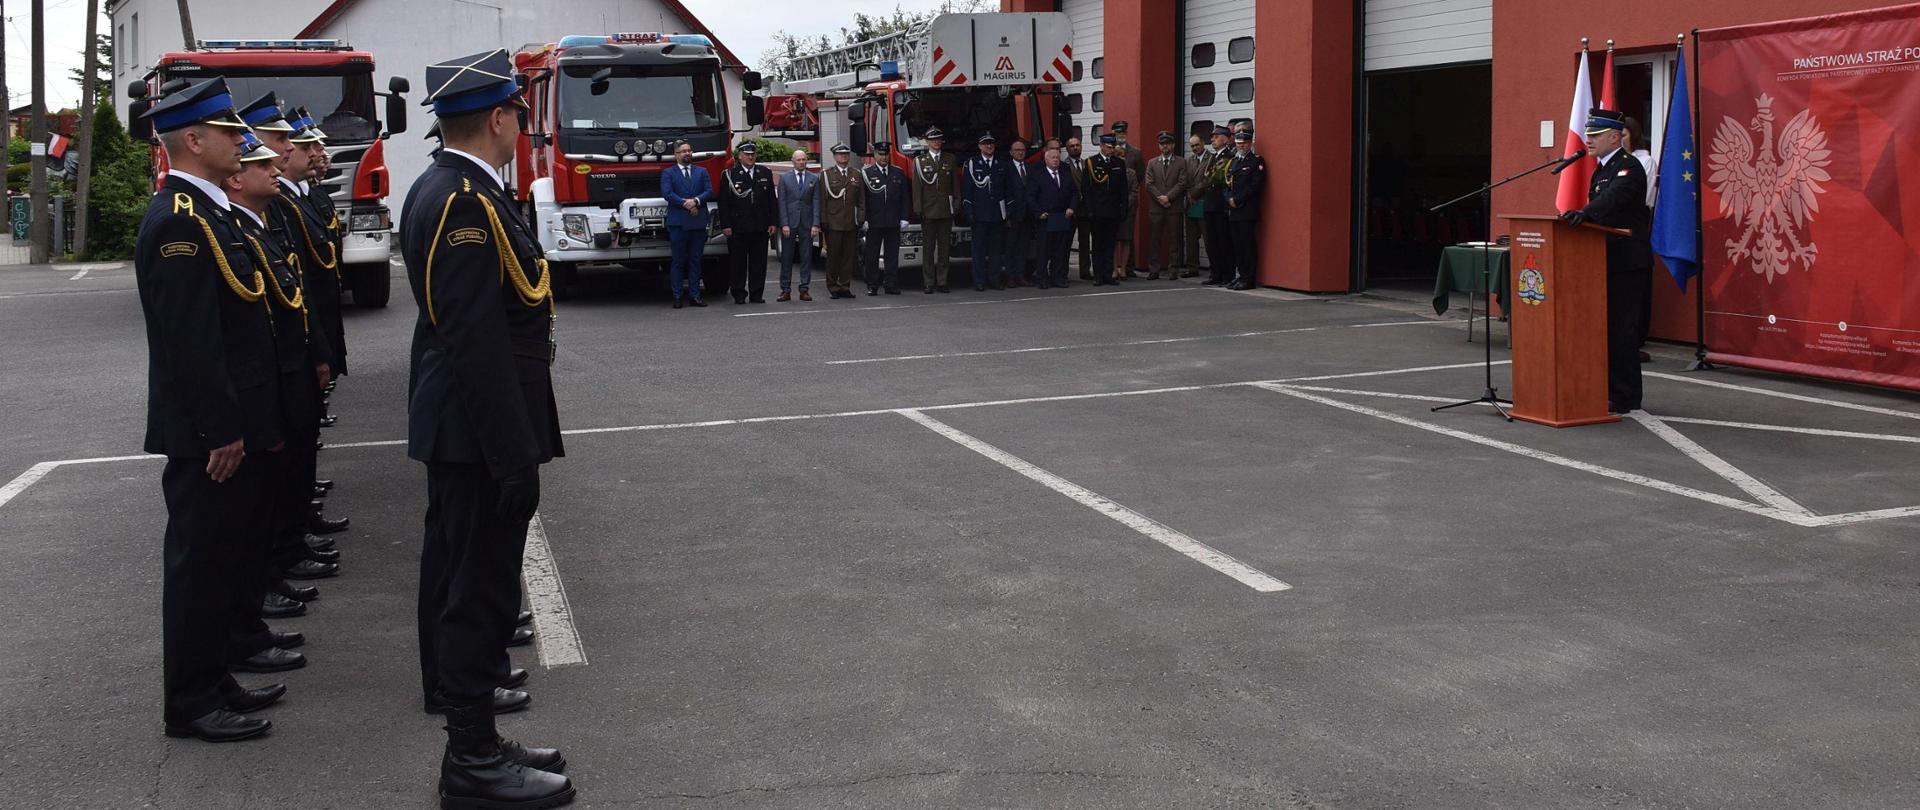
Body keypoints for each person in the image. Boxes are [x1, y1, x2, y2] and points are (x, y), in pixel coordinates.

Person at [401, 49, 574, 808]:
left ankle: (478, 741)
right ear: (500, 118)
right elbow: (473, 339)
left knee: (467, 579)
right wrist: (512, 455)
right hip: (478, 433)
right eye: (518, 114)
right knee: (479, 591)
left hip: (470, 428)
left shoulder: (458, 189)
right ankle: (471, 764)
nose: (521, 126)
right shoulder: (462, 202)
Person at [137, 77, 292, 745]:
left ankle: (215, 675)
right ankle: (191, 701)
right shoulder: (179, 220)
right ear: (193, 141)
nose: (242, 141)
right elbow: (190, 342)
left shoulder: (214, 215)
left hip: (235, 423)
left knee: (223, 559)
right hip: (210, 434)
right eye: (230, 132)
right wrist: (219, 429)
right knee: (199, 566)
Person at [239, 93, 339, 618]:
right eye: (271, 145)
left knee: (292, 464)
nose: (285, 155)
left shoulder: (277, 206)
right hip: (269, 378)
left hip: (295, 359)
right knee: (259, 499)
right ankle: (274, 567)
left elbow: (305, 281)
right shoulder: (210, 223)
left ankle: (285, 551)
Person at [1562, 108, 1653, 414]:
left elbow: (1613, 199)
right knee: (1606, 328)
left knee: (1621, 329)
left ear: (1615, 137)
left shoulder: (1629, 167)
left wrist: (1586, 213)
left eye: (1596, 135)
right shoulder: (1601, 168)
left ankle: (1627, 396)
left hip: (1628, 261)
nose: (1588, 140)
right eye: (1588, 134)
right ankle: (1609, 388)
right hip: (1605, 260)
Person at [717, 142, 777, 305]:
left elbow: (772, 199)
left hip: (759, 226)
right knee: (738, 263)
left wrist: (773, 221)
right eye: (747, 154)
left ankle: (757, 294)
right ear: (740, 156)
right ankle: (738, 293)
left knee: (759, 263)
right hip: (738, 227)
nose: (750, 157)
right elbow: (724, 203)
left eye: (753, 154)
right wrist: (726, 225)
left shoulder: (764, 172)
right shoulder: (730, 174)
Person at [663, 140, 712, 308]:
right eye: (683, 151)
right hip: (678, 223)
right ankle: (677, 296)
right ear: (676, 154)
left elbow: (708, 191)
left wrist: (696, 201)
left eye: (689, 150)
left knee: (695, 260)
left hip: (697, 222)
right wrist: (686, 204)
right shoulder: (668, 173)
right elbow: (668, 193)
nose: (687, 153)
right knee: (678, 261)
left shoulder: (702, 172)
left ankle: (695, 295)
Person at [911, 128, 958, 293]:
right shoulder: (920, 161)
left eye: (939, 139)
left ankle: (943, 281)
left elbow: (954, 185)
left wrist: (956, 204)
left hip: (945, 209)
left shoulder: (949, 159)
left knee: (944, 248)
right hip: (928, 210)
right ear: (928, 142)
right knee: (928, 249)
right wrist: (918, 209)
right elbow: (917, 188)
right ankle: (929, 282)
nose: (937, 142)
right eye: (933, 140)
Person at [962, 134, 1011, 291]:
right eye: (985, 144)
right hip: (979, 214)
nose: (989, 146)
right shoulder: (972, 164)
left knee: (996, 251)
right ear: (980, 146)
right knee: (979, 251)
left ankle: (995, 279)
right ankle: (979, 281)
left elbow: (1006, 190)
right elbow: (967, 191)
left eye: (991, 143)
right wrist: (969, 211)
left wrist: (1007, 210)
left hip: (997, 214)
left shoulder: (1001, 164)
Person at [860, 141, 908, 295]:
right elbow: (863, 199)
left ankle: (891, 283)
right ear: (874, 155)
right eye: (880, 154)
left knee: (892, 255)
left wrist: (904, 217)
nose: (884, 157)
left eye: (886, 154)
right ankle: (872, 284)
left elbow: (904, 198)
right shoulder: (867, 173)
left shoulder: (897, 172)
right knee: (871, 255)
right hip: (874, 221)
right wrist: (864, 218)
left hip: (893, 220)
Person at [1143, 131, 1193, 280]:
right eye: (1162, 144)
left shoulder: (1181, 162)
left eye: (1168, 144)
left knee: (1174, 240)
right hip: (1156, 208)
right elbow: (1149, 183)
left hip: (1174, 207)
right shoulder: (1152, 162)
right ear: (1159, 146)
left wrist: (1168, 197)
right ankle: (1154, 269)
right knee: (1154, 240)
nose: (1165, 146)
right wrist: (1160, 198)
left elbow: (1182, 182)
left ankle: (1173, 270)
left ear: (1173, 145)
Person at [1028, 146, 1079, 289]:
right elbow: (1031, 197)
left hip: (1062, 216)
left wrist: (1071, 208)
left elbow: (1074, 192)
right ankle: (1042, 278)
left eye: (1057, 157)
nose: (1056, 160)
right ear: (1046, 159)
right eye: (1053, 157)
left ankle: (1058, 277)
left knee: (1060, 250)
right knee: (1044, 250)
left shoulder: (1065, 173)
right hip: (1045, 217)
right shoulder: (1037, 175)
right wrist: (1038, 212)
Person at [819, 144, 865, 299]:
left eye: (846, 154)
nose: (843, 157)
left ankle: (845, 286)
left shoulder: (856, 174)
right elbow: (823, 201)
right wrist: (823, 221)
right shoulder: (827, 175)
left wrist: (861, 218)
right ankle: (833, 286)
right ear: (834, 157)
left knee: (848, 257)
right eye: (840, 154)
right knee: (833, 257)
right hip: (833, 222)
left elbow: (861, 200)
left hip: (850, 222)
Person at [1085, 134, 1130, 286]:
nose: (1111, 150)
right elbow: (1087, 189)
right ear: (1102, 146)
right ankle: (1098, 275)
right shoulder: (1091, 162)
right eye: (1109, 147)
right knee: (1098, 244)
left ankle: (1108, 273)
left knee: (1110, 244)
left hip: (1112, 211)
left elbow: (1123, 187)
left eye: (1113, 147)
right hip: (1097, 211)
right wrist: (1089, 209)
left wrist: (1124, 206)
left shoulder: (1119, 163)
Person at [777, 150, 820, 302]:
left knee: (806, 257)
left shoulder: (814, 178)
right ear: (793, 161)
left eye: (804, 160)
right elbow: (781, 202)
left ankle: (804, 289)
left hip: (807, 223)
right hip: (790, 223)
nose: (801, 162)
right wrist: (784, 223)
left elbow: (816, 202)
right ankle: (785, 290)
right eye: (799, 160)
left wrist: (815, 224)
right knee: (787, 257)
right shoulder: (785, 179)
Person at [1226, 128, 1266, 290]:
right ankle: (1241, 275)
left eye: (1244, 143)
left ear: (1250, 144)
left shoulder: (1256, 161)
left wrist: (1237, 199)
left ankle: (1249, 278)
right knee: (1238, 246)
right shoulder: (1234, 162)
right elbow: (1226, 182)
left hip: (1246, 210)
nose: (1241, 146)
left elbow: (1255, 186)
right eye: (1238, 143)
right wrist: (1228, 199)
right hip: (1233, 211)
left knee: (1247, 246)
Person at [1200, 126, 1236, 286]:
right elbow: (1206, 176)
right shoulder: (1213, 158)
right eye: (1212, 137)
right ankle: (1215, 273)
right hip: (1210, 204)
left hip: (1221, 206)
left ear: (1226, 139)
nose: (1213, 139)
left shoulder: (1230, 156)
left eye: (1216, 136)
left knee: (1223, 242)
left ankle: (1227, 275)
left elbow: (1216, 178)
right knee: (1212, 242)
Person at [1111, 121, 1146, 278]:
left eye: (1123, 133)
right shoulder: (1110, 151)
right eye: (1118, 133)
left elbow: (1139, 176)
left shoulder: (1136, 153)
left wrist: (1129, 199)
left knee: (1127, 236)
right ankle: (1114, 267)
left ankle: (1128, 267)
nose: (1121, 136)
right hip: (1113, 203)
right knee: (1115, 237)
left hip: (1129, 203)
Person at [1002, 138, 1036, 287]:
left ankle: (1020, 275)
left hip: (1027, 214)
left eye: (1022, 150)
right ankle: (1010, 276)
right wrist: (1006, 213)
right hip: (1012, 214)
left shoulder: (1030, 168)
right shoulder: (1006, 168)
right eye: (1017, 150)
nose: (1020, 153)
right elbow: (1002, 191)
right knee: (1010, 247)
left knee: (1023, 247)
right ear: (1011, 152)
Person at [1063, 136, 1094, 279]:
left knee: (1085, 242)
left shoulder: (1087, 164)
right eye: (1072, 146)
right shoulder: (1064, 166)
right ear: (1067, 149)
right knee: (1066, 242)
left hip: (1085, 210)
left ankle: (1085, 271)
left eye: (1077, 145)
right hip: (1070, 209)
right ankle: (1062, 271)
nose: (1075, 148)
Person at [1183, 134, 1207, 278]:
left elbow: (1207, 179)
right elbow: (1184, 180)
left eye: (1197, 145)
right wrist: (1188, 195)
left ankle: (1214, 268)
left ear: (1203, 143)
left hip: (1204, 202)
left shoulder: (1210, 158)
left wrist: (1194, 193)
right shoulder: (1188, 161)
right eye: (1192, 146)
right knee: (1191, 239)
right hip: (1191, 204)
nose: (1195, 148)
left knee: (1208, 237)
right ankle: (1192, 268)